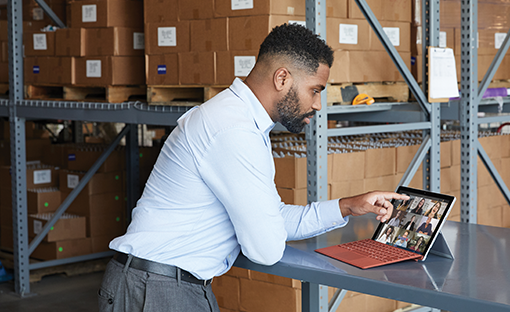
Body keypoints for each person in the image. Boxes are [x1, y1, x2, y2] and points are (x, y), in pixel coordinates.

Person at [101, 24, 408, 312]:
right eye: (315, 90)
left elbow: (272, 219)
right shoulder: (233, 130)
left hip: (160, 286)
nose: (317, 105)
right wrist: (267, 226)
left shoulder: (240, 122)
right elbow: (266, 248)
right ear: (282, 78)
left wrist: (347, 206)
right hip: (158, 292)